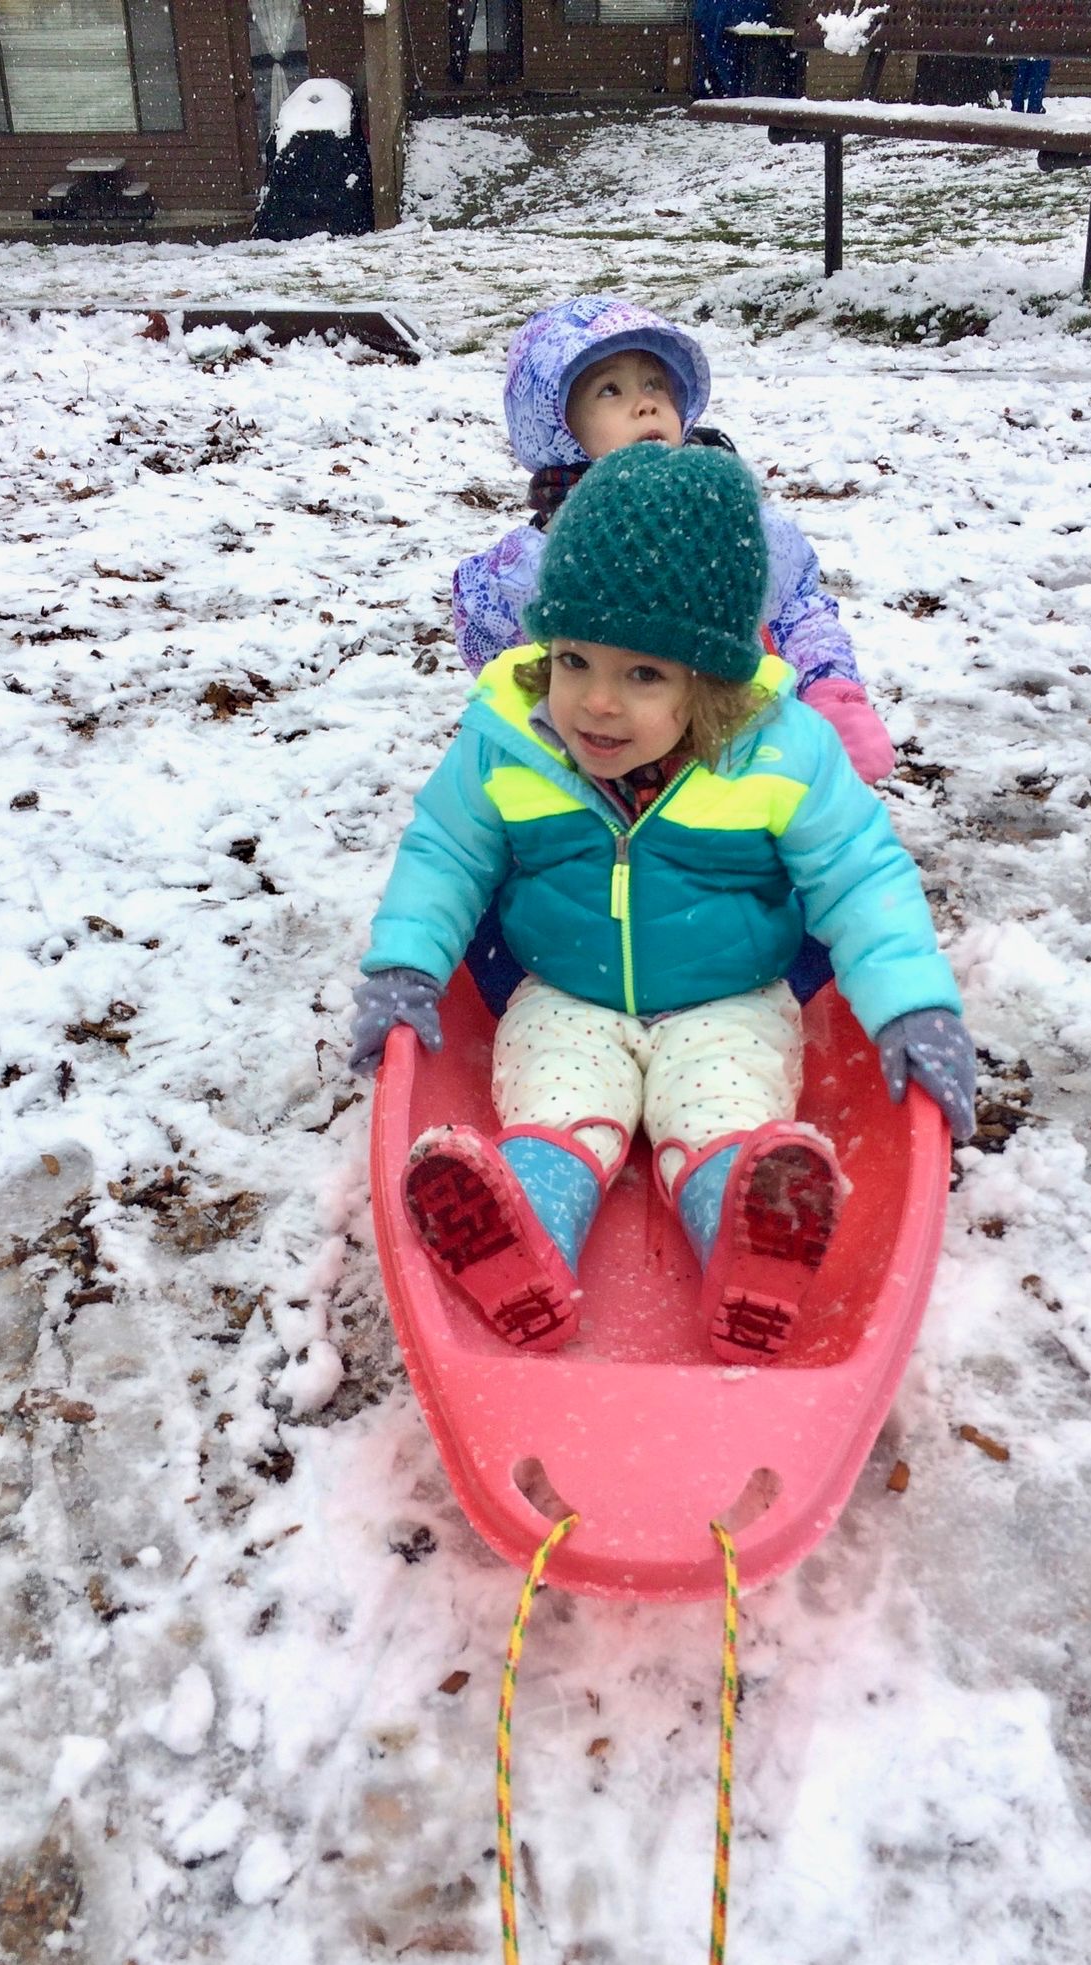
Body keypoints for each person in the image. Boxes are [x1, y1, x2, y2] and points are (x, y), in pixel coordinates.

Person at [351, 444, 976, 1365]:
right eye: (574, 660)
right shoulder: (507, 740)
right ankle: (522, 1240)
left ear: (709, 679)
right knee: (559, 1116)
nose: (596, 704)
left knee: (721, 1118)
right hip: (565, 990)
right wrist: (404, 965)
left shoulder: (779, 754)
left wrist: (915, 1005)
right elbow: (447, 850)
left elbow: (860, 875)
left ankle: (750, 1246)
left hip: (729, 995)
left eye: (644, 675)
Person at [454, 296, 894, 787]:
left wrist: (831, 690)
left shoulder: (726, 522)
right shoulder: (548, 556)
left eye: (654, 384)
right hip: (608, 772)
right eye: (609, 390)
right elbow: (498, 648)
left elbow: (795, 607)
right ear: (556, 425)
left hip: (740, 756)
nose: (644, 402)